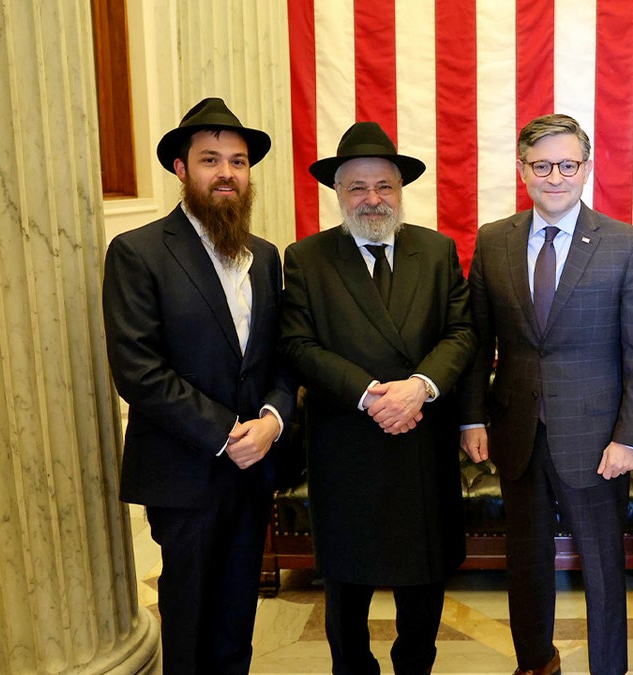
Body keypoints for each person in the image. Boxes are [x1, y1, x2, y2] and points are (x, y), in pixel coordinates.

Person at [459, 113, 633, 675]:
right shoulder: (494, 240)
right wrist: (471, 418)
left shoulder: (626, 244)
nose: (555, 177)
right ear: (522, 169)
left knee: (601, 565)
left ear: (586, 168)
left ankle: (608, 669)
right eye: (542, 165)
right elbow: (478, 341)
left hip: (599, 439)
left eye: (567, 165)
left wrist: (631, 438)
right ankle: (535, 662)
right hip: (516, 430)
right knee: (526, 559)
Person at [102, 97, 295, 673]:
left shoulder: (264, 257)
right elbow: (138, 368)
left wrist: (272, 421)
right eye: (211, 159)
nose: (227, 173)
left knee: (238, 615)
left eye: (238, 161)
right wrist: (227, 433)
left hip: (253, 468)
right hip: (184, 470)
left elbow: (279, 359)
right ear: (182, 170)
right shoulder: (137, 252)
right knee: (189, 617)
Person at [279, 122, 476, 674]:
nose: (372, 199)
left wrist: (419, 387)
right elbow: (296, 344)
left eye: (384, 186)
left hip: (420, 435)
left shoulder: (436, 251)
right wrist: (369, 395)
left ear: (400, 189)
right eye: (357, 188)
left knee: (425, 571)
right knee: (347, 580)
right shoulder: (307, 258)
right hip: (347, 439)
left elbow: (461, 333)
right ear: (338, 194)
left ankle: (416, 666)